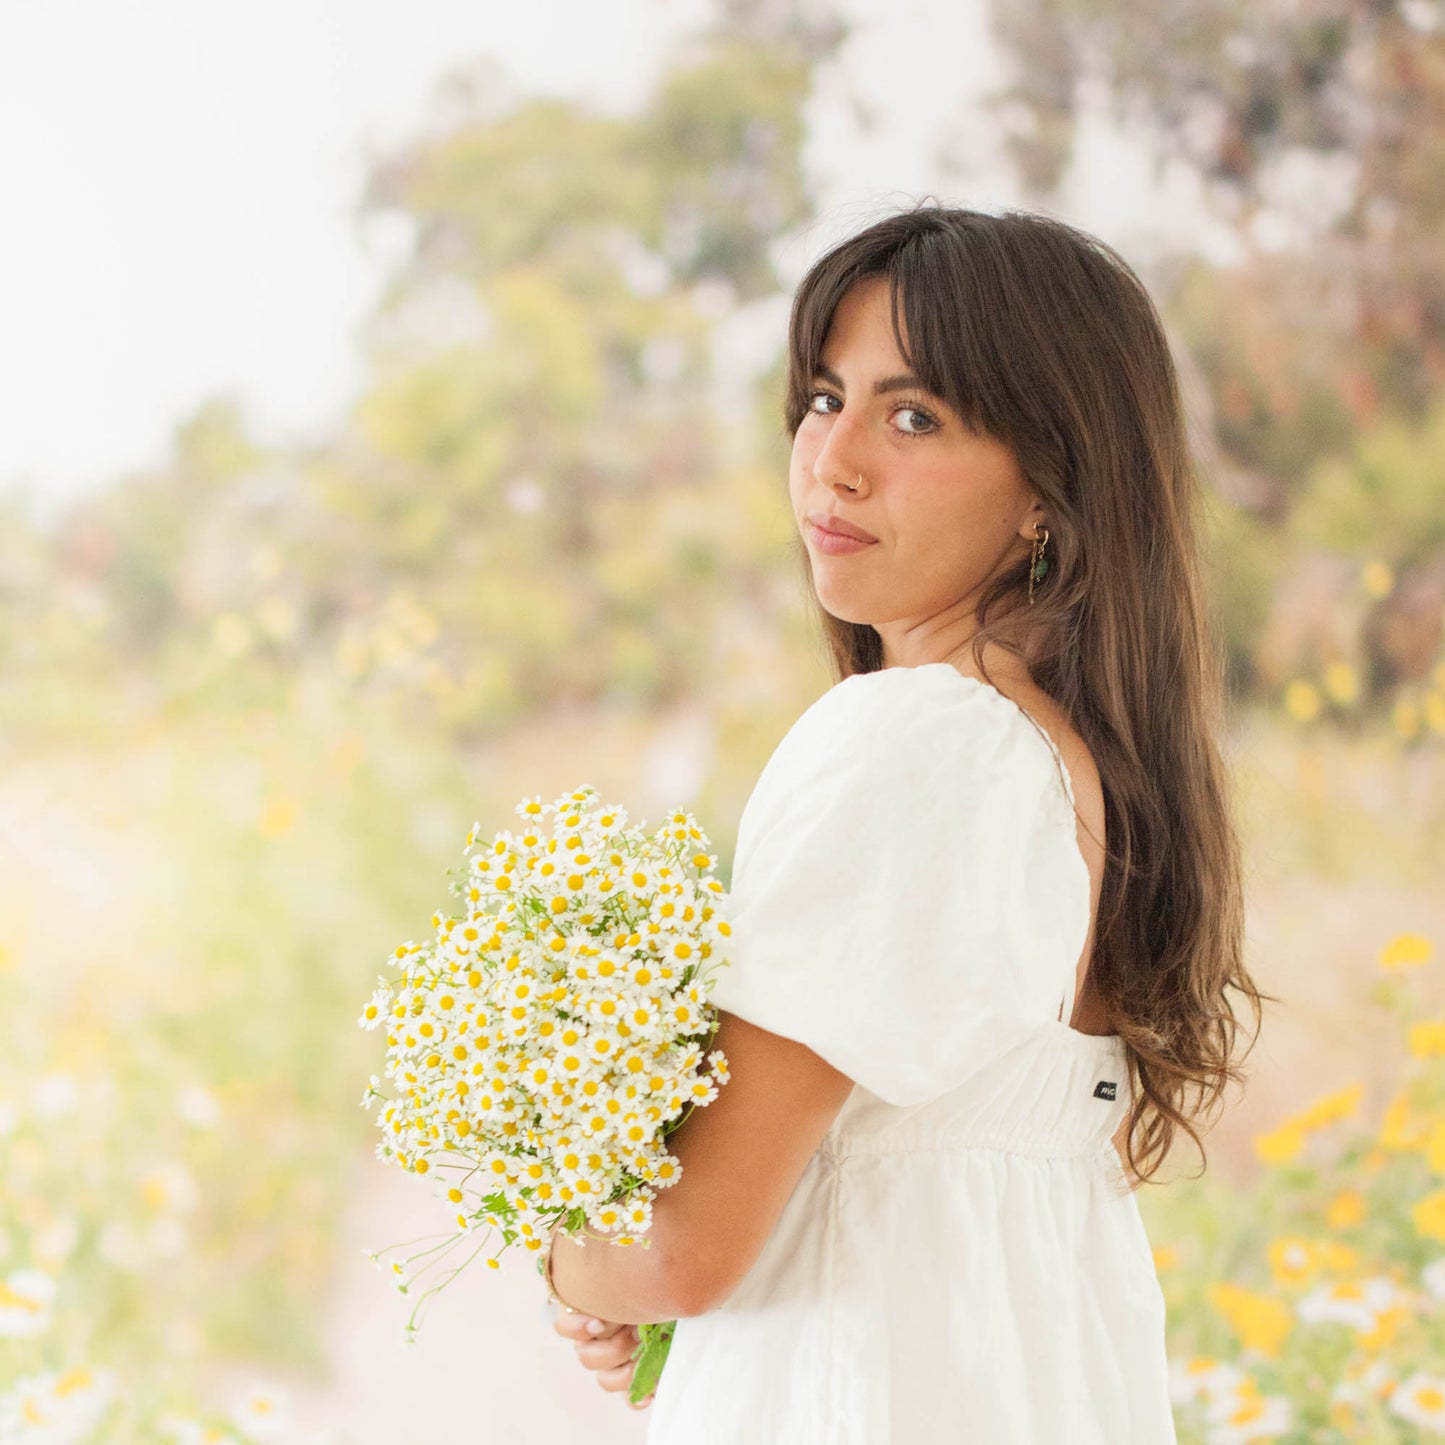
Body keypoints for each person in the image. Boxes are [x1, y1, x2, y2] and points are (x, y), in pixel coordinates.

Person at [547, 201, 1266, 1441]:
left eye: (915, 415)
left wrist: (569, 1255)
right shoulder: (1063, 763)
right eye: (825, 397)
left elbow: (683, 1251)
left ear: (1049, 491)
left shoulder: (913, 740)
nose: (835, 460)